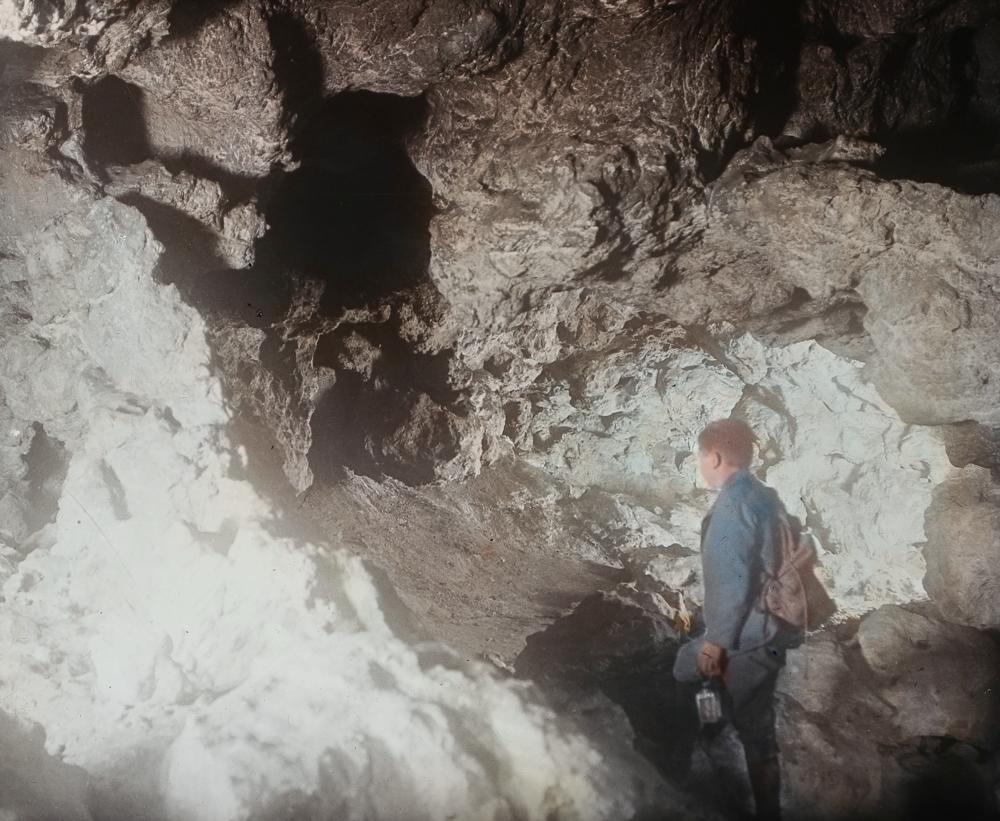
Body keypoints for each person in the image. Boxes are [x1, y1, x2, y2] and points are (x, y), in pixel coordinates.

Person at [672, 418, 802, 821]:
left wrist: (715, 643)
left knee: (683, 671)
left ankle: (698, 773)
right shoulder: (762, 494)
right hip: (773, 623)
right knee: (750, 718)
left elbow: (731, 583)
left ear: (713, 457)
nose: (699, 466)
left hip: (749, 634)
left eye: (699, 457)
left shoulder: (731, 508)